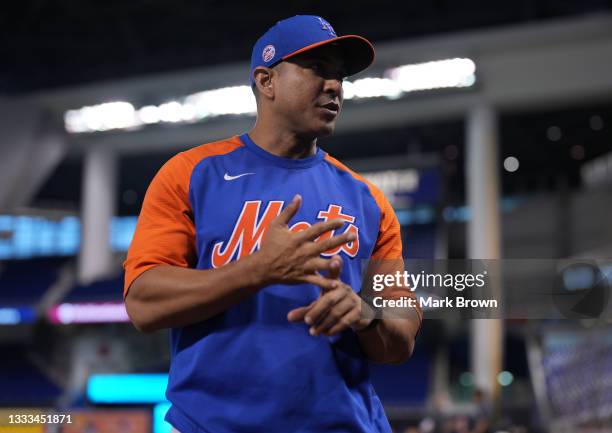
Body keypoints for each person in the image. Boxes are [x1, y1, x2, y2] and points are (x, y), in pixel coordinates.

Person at [124, 15, 422, 433]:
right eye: (318, 69)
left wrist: (365, 315)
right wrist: (257, 270)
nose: (334, 85)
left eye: (339, 75)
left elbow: (402, 334)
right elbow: (142, 302)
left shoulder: (368, 201)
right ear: (266, 81)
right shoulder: (191, 174)